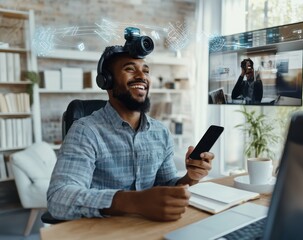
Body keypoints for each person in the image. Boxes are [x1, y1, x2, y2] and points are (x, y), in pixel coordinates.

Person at [47, 28, 214, 222]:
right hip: (105, 231)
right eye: (129, 69)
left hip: (149, 228)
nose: (141, 76)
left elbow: (167, 185)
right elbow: (58, 198)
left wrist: (190, 177)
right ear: (106, 81)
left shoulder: (160, 132)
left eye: (145, 70)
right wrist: (134, 202)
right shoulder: (85, 131)